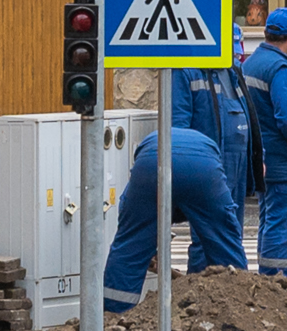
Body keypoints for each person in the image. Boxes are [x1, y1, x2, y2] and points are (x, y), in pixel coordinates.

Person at [100, 127, 247, 312]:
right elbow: (215, 218)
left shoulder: (148, 146)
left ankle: (114, 314)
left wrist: (145, 245)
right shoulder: (206, 145)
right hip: (202, 168)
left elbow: (130, 215)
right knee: (224, 240)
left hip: (152, 162)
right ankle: (239, 308)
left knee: (130, 245)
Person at [237, 9, 287, 275]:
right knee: (281, 226)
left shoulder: (250, 63)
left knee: (269, 220)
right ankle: (275, 281)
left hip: (263, 159)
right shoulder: (281, 69)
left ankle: (267, 280)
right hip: (285, 162)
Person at [171, 53, 254, 207]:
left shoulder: (234, 69)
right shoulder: (186, 71)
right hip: (206, 165)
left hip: (238, 163)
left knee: (233, 225)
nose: (236, 55)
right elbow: (178, 129)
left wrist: (258, 156)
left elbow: (250, 114)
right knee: (212, 224)